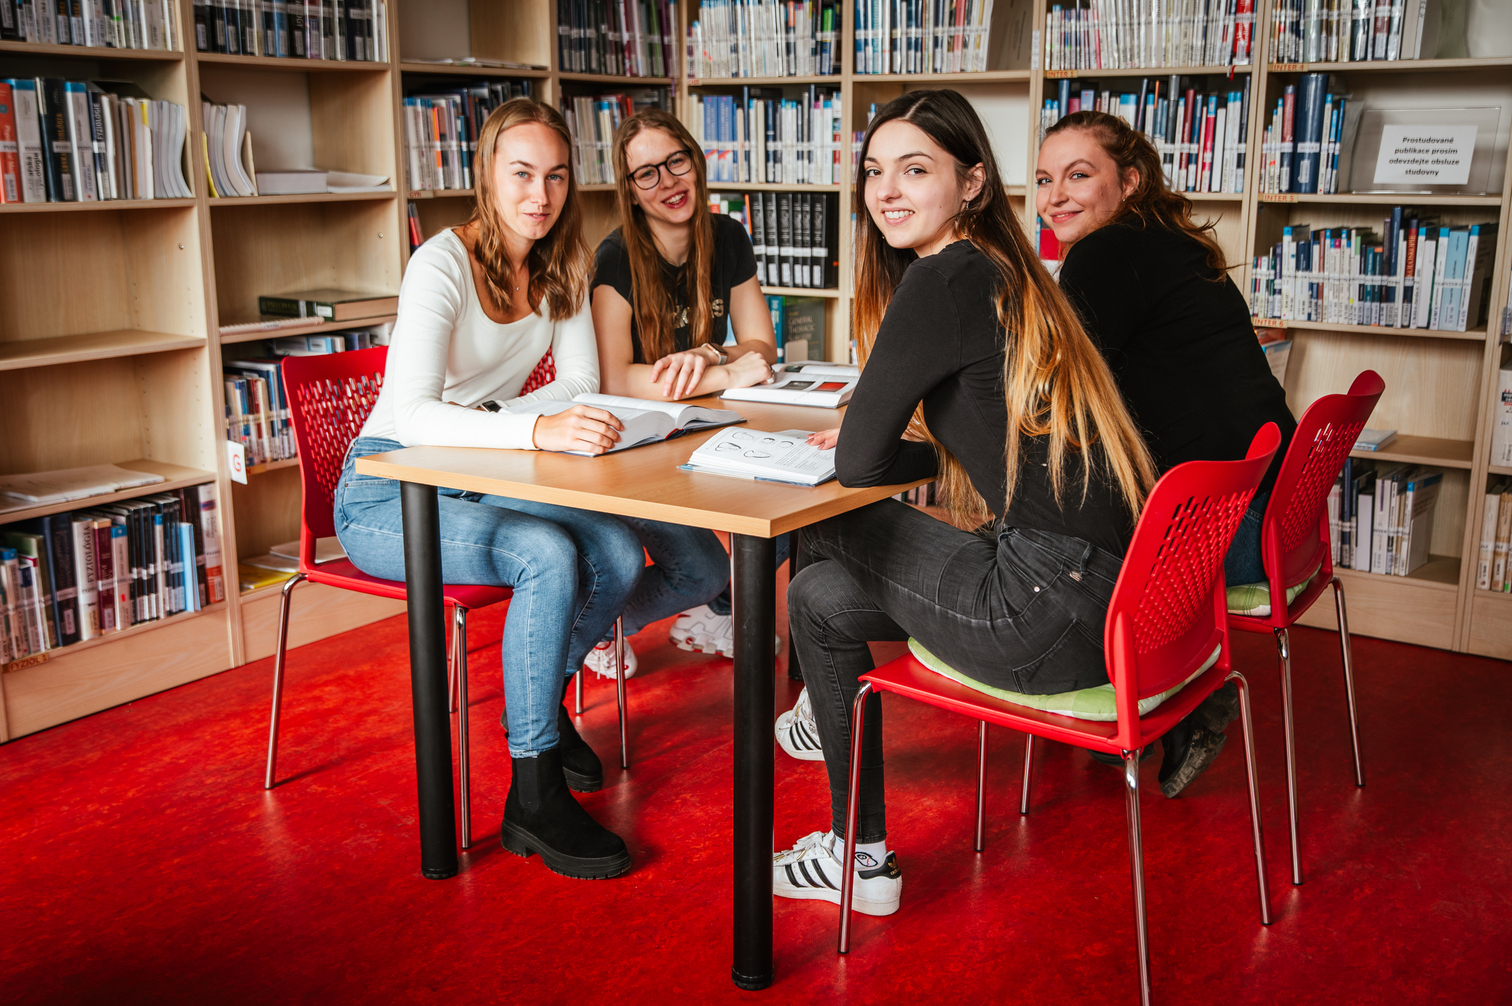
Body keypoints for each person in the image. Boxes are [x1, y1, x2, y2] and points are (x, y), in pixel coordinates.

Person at [770, 89, 1157, 918]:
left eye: (916, 169)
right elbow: (971, 443)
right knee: (818, 598)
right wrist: (878, 449)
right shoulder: (1008, 268)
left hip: (1043, 610)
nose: (887, 192)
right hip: (1119, 605)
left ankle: (813, 723)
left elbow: (859, 462)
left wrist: (857, 449)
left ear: (973, 181)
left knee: (830, 519)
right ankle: (859, 853)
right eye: (875, 172)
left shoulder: (941, 279)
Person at [333, 100, 644, 881]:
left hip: (470, 471)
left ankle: (533, 703)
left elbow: (578, 381)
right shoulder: (439, 262)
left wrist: (500, 418)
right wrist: (534, 430)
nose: (539, 195)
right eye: (521, 174)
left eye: (556, 176)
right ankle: (532, 796)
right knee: (547, 551)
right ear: (486, 175)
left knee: (615, 550)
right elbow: (411, 414)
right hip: (384, 489)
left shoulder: (560, 262)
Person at [1035, 109, 1298, 797]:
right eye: (1043, 180)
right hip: (1277, 522)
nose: (1055, 195)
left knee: (1058, 540)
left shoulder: (1106, 253)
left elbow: (1054, 397)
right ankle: (1144, 694)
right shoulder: (1166, 242)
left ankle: (1164, 690)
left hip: (1227, 538)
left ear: (1130, 180)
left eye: (1078, 175)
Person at [589, 107, 784, 667]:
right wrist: (723, 374)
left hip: (703, 431)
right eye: (646, 173)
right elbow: (614, 378)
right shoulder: (616, 259)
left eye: (676, 162)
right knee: (699, 568)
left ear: (696, 163)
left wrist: (708, 351)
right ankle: (599, 623)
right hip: (635, 448)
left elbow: (760, 346)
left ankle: (716, 611)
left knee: (801, 513)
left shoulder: (726, 236)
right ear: (629, 191)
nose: (668, 182)